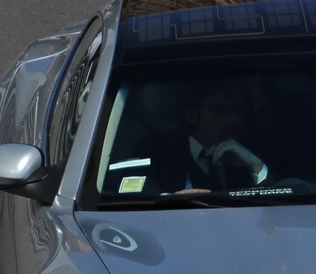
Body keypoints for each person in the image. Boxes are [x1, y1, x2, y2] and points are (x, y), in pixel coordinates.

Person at [109, 78, 270, 196]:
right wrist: (170, 199)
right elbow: (133, 190)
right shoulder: (156, 150)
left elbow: (272, 203)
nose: (235, 119)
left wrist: (256, 166)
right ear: (192, 114)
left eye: (238, 110)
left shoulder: (248, 151)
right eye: (222, 110)